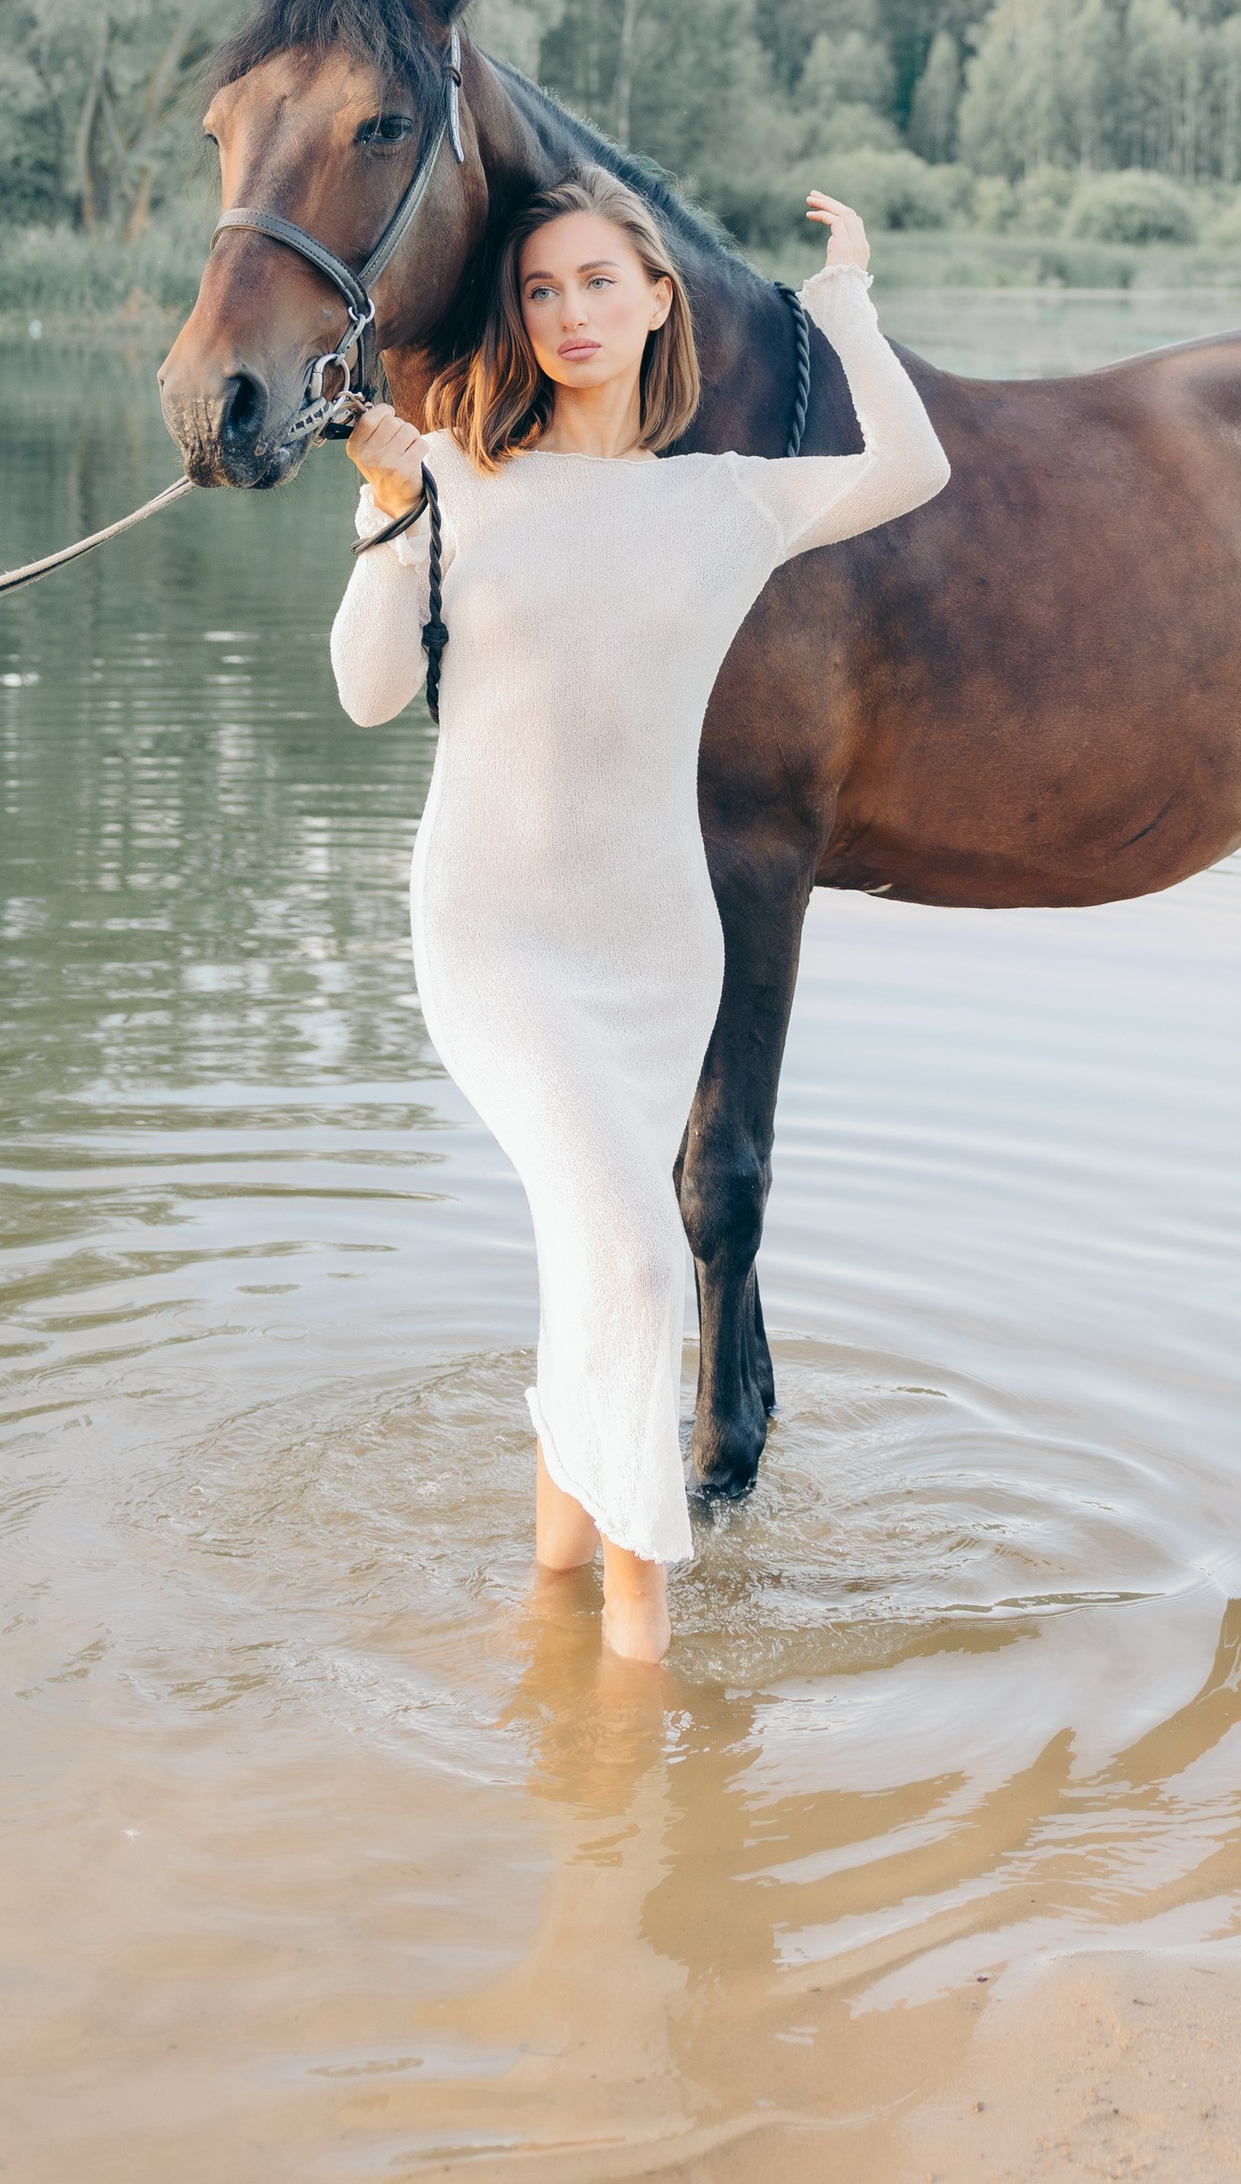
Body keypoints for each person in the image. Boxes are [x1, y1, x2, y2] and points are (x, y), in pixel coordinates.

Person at [329, 172, 951, 1662]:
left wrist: (844, 305)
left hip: (657, 951)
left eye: (599, 282)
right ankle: (634, 1647)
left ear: (660, 297)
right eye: (540, 290)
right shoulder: (456, 479)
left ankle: (547, 1590)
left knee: (590, 1264)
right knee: (633, 1254)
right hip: (494, 938)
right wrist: (389, 508)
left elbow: (914, 466)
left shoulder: (723, 499)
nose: (569, 314)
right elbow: (366, 693)